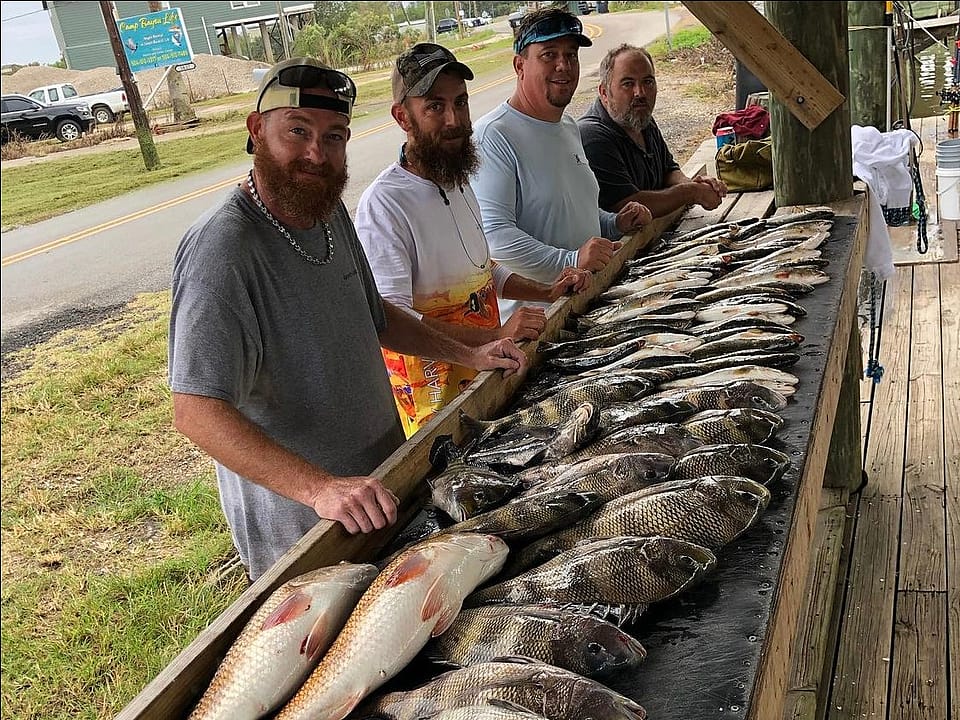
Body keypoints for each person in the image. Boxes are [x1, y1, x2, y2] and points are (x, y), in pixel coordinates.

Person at [167, 57, 527, 581]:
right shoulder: (223, 249)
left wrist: (470, 351)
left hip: (382, 487)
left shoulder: (327, 207)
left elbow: (375, 314)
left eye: (334, 136)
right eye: (298, 131)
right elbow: (195, 409)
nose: (317, 153)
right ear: (256, 130)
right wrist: (320, 489)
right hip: (307, 532)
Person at [355, 43, 591, 437]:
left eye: (461, 103)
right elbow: (390, 317)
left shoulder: (459, 178)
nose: (454, 120)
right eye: (434, 106)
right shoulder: (385, 204)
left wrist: (547, 291)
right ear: (402, 117)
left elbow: (483, 270)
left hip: (488, 381)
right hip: (436, 411)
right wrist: (491, 338)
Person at [472, 6, 652, 318]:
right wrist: (570, 260)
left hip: (585, 303)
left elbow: (570, 209)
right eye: (549, 54)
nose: (563, 66)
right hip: (538, 326)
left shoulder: (568, 126)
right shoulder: (494, 136)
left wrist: (614, 223)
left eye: (571, 55)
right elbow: (495, 237)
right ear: (519, 65)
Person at [578, 43, 727, 217]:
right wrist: (691, 192)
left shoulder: (640, 118)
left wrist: (695, 184)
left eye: (648, 82)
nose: (640, 93)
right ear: (604, 92)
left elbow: (668, 170)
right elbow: (626, 205)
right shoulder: (593, 136)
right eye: (628, 84)